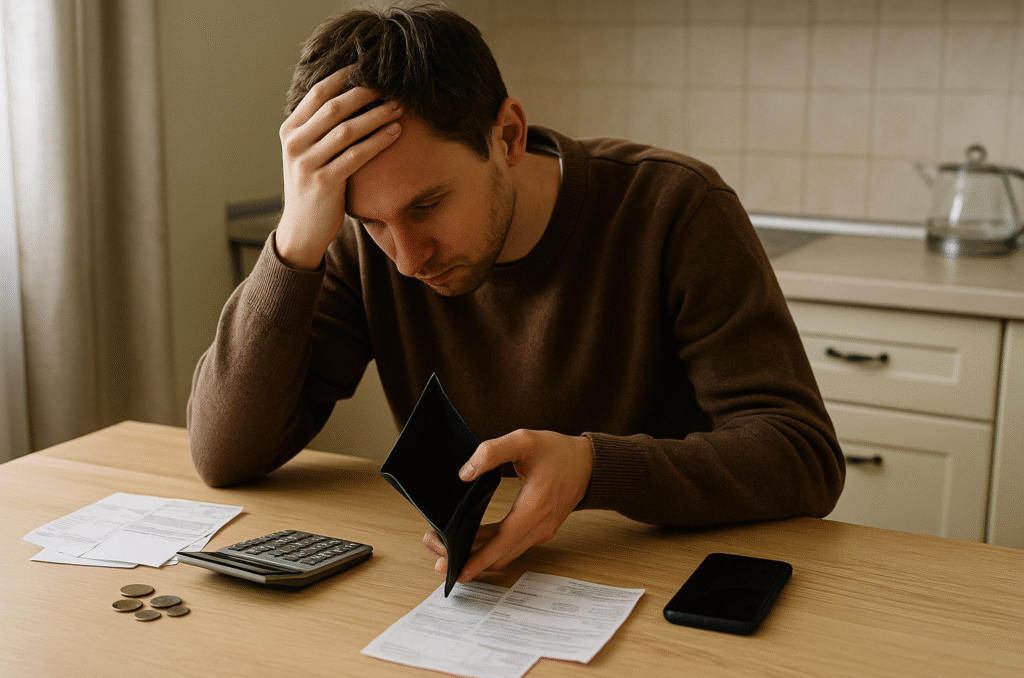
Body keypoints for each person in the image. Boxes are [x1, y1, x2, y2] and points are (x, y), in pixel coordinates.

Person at [187, 4, 844, 586]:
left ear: (508, 136)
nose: (408, 259)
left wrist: (593, 467)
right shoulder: (360, 244)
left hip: (662, 589)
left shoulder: (674, 208)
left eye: (428, 205)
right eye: (374, 221)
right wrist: (295, 243)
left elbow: (803, 456)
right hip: (494, 600)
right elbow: (224, 454)